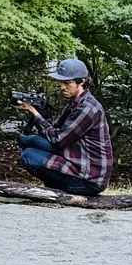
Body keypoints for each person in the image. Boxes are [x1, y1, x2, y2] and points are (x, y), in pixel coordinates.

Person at [16, 59, 112, 198]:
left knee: (29, 155)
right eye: (61, 83)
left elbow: (58, 139)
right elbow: (55, 129)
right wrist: (35, 111)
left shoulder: (87, 108)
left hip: (88, 179)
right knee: (30, 140)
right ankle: (56, 186)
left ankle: (58, 191)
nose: (62, 87)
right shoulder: (76, 103)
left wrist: (34, 112)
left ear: (82, 82)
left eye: (67, 83)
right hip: (76, 158)